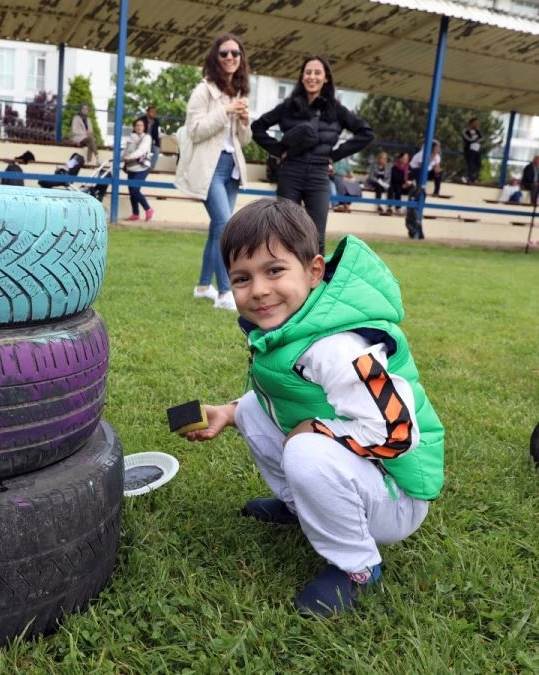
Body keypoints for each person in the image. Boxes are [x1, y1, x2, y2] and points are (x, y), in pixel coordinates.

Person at [183, 197, 444, 616]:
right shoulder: (294, 326)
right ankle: (301, 507)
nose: (260, 290)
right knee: (252, 408)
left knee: (306, 449)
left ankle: (357, 566)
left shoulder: (337, 347)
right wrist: (231, 413)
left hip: (397, 495)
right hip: (367, 472)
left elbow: (398, 433)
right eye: (242, 278)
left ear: (314, 270)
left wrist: (317, 432)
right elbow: (283, 399)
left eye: (274, 270)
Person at [252, 55, 374, 254]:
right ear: (302, 77)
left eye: (317, 73)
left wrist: (334, 156)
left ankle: (317, 285)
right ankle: (287, 282)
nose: (312, 77)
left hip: (318, 175)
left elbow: (366, 133)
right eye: (308, 72)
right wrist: (278, 150)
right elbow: (258, 127)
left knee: (316, 238)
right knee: (285, 231)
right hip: (290, 171)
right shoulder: (289, 106)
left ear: (326, 78)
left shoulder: (336, 110)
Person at [174, 32, 253, 311]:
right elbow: (194, 131)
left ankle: (203, 287)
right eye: (224, 53)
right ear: (215, 58)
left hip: (231, 168)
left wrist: (243, 120)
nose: (230, 57)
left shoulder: (240, 91)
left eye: (235, 53)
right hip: (209, 169)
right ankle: (224, 293)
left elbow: (243, 141)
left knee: (217, 230)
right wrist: (226, 111)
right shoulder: (203, 90)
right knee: (226, 227)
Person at [122, 117, 154, 221]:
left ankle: (148, 209)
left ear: (144, 127)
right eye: (137, 125)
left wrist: (130, 157)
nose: (139, 127)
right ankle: (135, 214)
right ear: (134, 127)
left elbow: (141, 150)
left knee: (135, 190)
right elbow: (124, 151)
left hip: (142, 167)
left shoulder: (146, 138)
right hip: (131, 167)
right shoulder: (130, 138)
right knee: (132, 191)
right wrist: (123, 157)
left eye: (141, 125)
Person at [138, 105, 161, 170]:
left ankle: (150, 167)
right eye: (152, 112)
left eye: (155, 112)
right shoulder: (141, 120)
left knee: (157, 151)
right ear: (147, 112)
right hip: (141, 141)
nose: (154, 113)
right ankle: (141, 166)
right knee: (142, 151)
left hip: (151, 142)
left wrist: (158, 145)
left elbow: (156, 134)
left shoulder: (156, 121)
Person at [461, 117, 483, 184]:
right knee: (470, 165)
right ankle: (468, 178)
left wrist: (477, 140)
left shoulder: (477, 131)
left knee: (478, 165)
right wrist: (476, 140)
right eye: (476, 123)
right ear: (472, 123)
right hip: (470, 150)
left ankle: (472, 178)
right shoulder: (466, 131)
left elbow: (482, 138)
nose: (477, 124)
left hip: (477, 150)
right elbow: (468, 139)